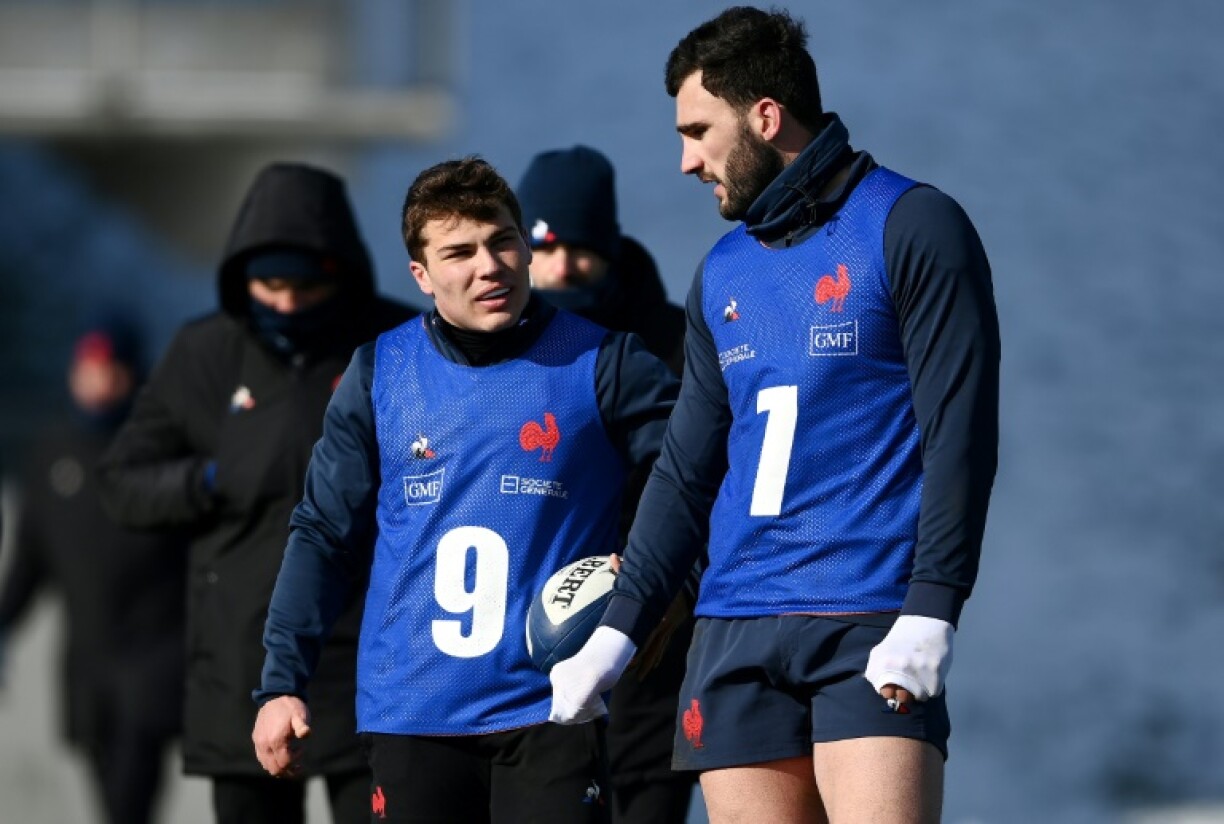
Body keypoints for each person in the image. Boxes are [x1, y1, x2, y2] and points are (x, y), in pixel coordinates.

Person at [549, 7, 1001, 824]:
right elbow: (686, 473)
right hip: (732, 628)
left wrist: (934, 604)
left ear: (764, 116)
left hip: (866, 616)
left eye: (698, 132)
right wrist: (618, 632)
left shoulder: (913, 225)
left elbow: (960, 435)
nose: (686, 162)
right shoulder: (721, 271)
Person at [250, 157, 679, 824]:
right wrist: (281, 682)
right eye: (460, 253)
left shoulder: (607, 361)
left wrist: (654, 581)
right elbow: (323, 535)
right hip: (413, 713)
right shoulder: (380, 373)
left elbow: (696, 477)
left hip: (552, 707)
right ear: (421, 274)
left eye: (503, 241)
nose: (490, 266)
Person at [98, 162, 416, 824]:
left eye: (307, 286)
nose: (289, 304)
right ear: (243, 277)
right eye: (272, 286)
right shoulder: (205, 352)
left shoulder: (399, 345)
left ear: (342, 272)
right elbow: (122, 484)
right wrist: (209, 479)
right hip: (241, 668)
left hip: (375, 666)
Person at [517, 145, 697, 824]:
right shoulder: (499, 350)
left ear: (612, 250)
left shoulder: (678, 344)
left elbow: (709, 488)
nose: (562, 267)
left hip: (651, 660)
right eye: (545, 248)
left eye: (581, 250)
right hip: (530, 666)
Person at [0, 319, 186, 824]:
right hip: (87, 669)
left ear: (134, 373)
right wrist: (5, 623)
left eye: (111, 370)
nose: (99, 381)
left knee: (129, 802)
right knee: (106, 800)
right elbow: (32, 558)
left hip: (153, 663)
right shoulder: (53, 453)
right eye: (89, 368)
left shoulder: (166, 449)